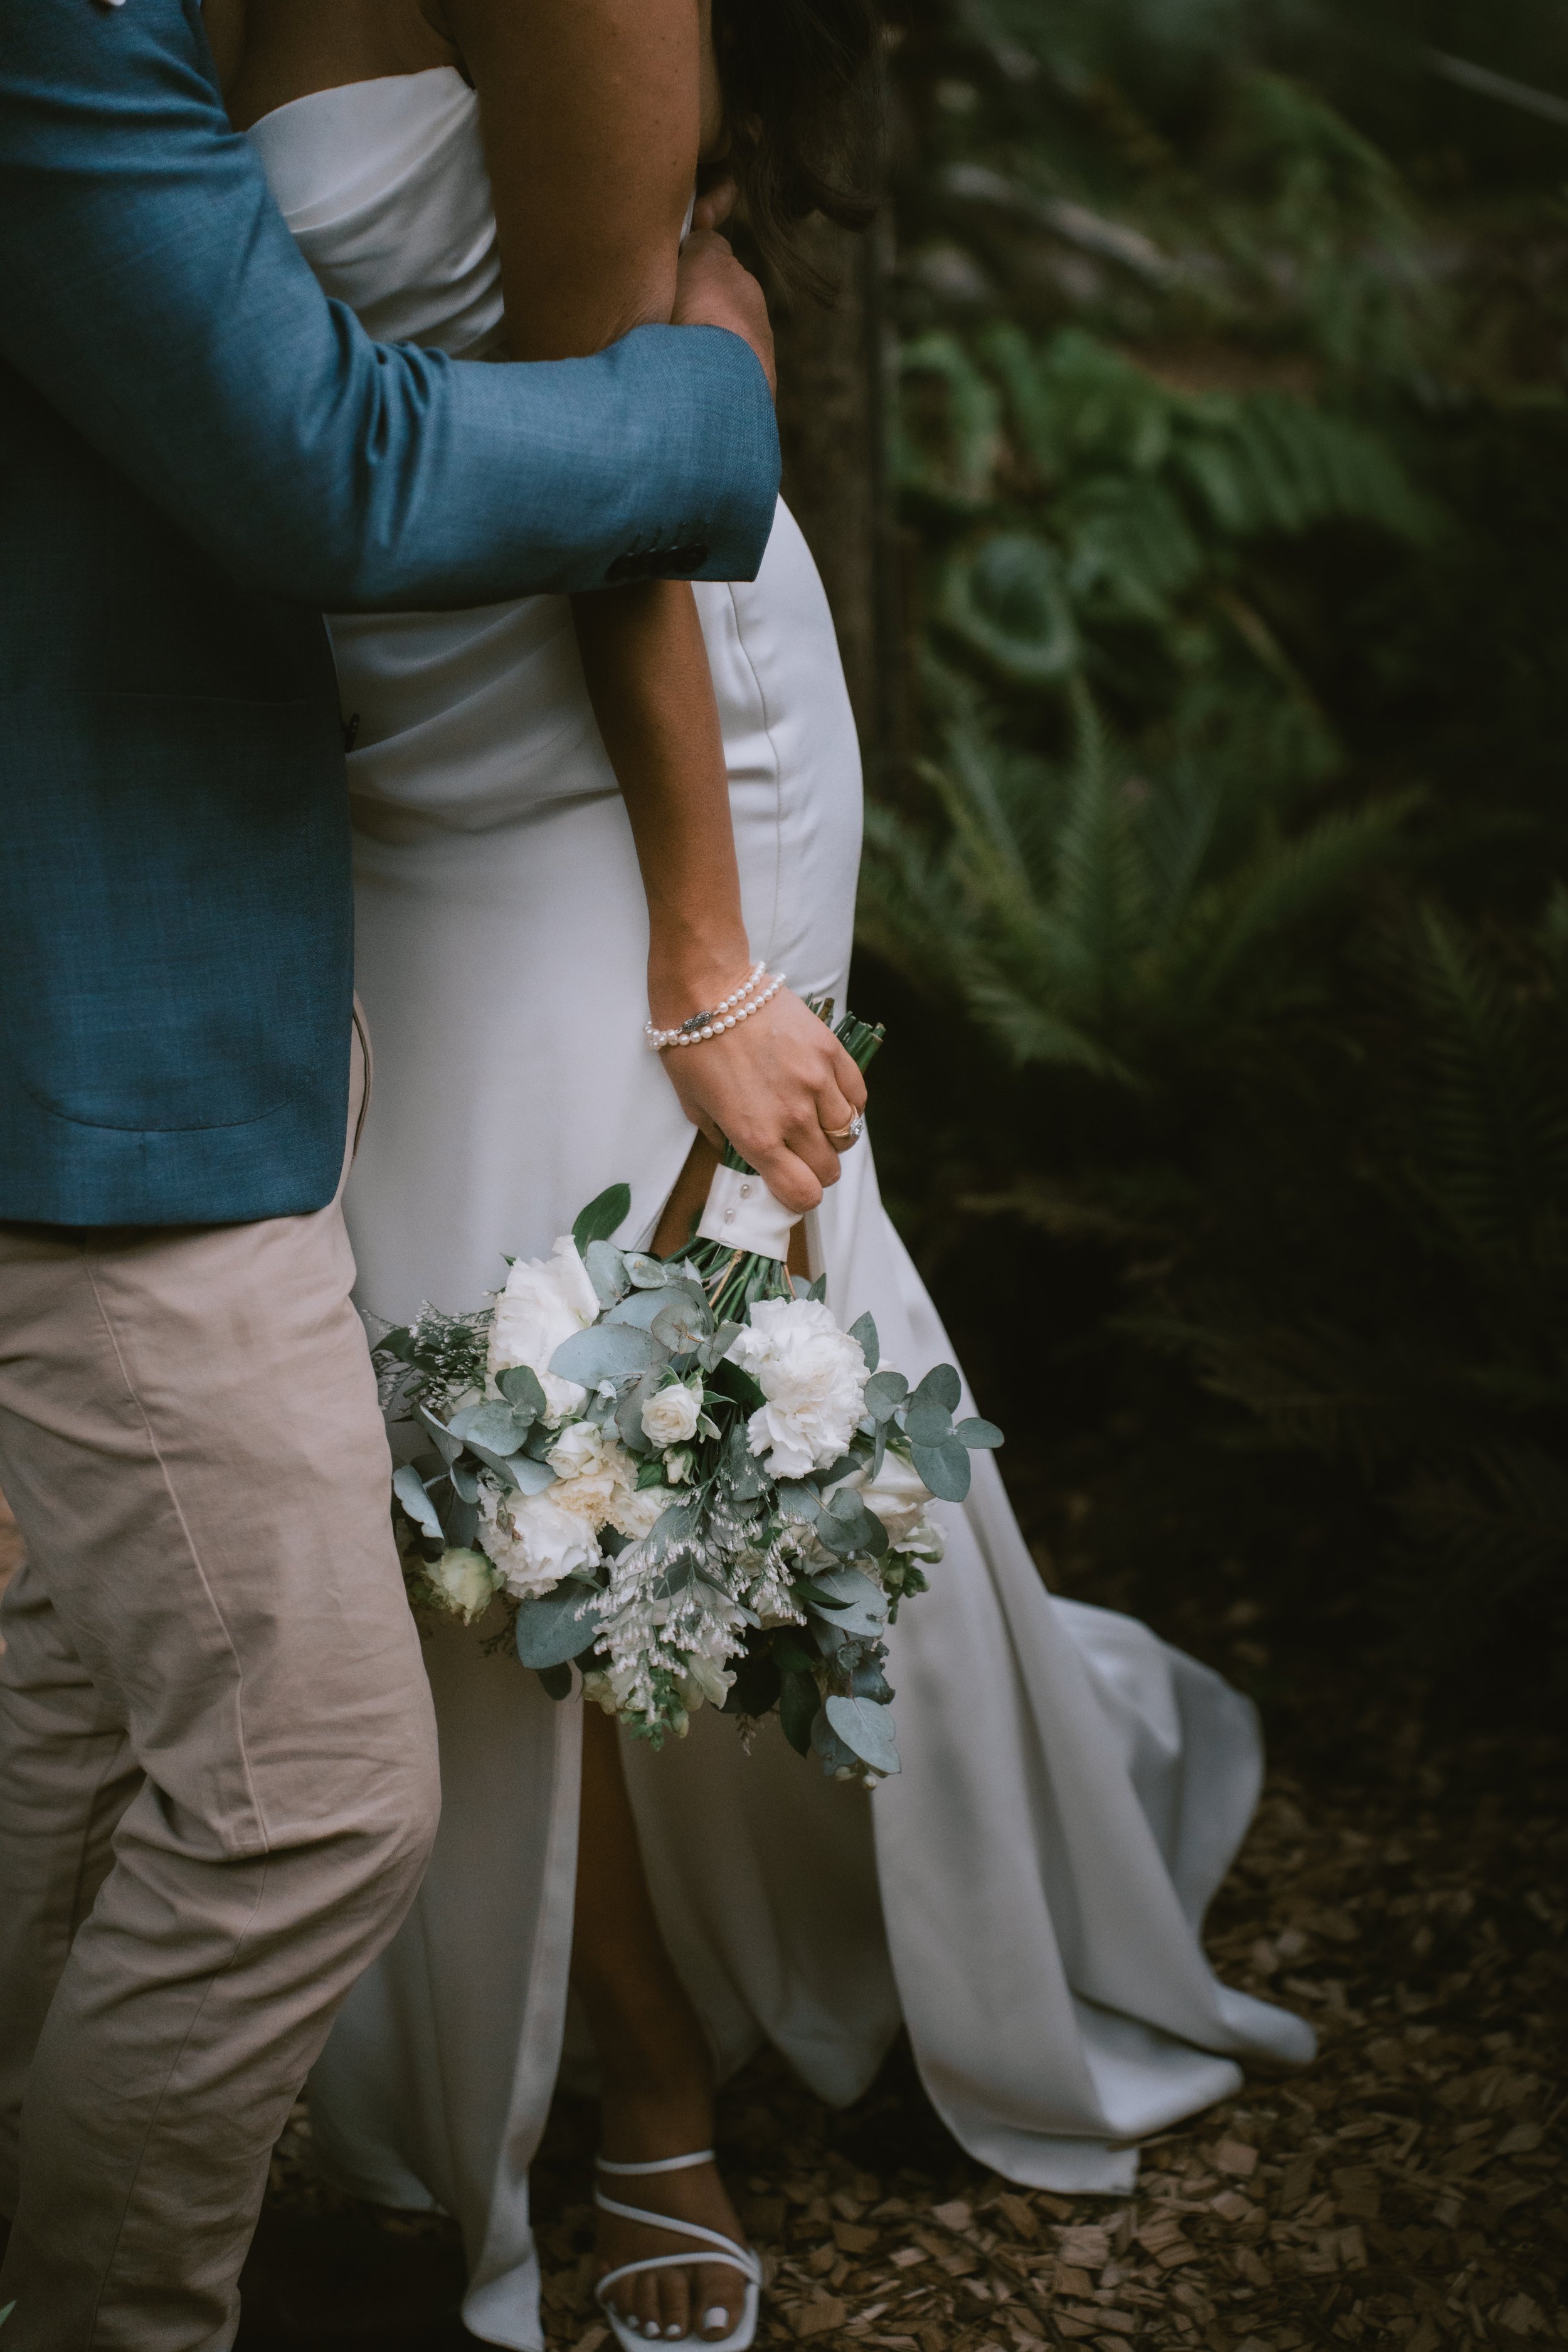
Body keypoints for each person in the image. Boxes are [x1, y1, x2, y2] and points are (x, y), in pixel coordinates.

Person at [229, 3, 1318, 2348]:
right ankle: (635, 1991)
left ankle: (647, 2098)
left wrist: (707, 965)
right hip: (369, 749)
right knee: (477, 1426)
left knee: (520, 1420)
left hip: (628, 770)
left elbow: (630, 444)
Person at [0, 0, 784, 2343]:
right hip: (102, 1022)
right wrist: (710, 390)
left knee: (65, 1714)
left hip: (209, 917)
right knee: (309, 1807)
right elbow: (323, 469)